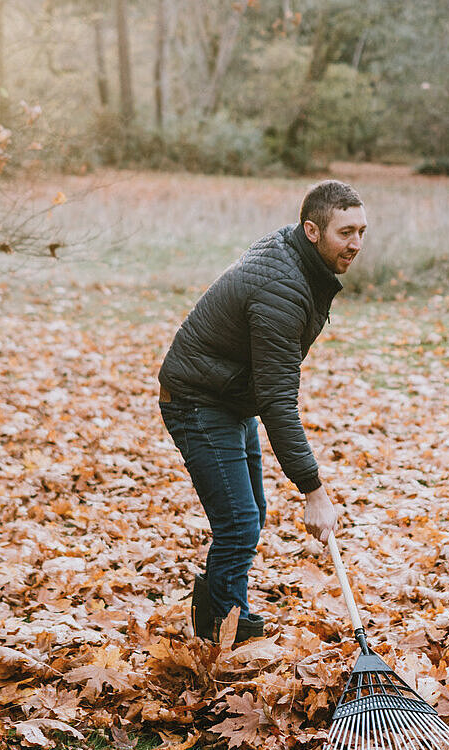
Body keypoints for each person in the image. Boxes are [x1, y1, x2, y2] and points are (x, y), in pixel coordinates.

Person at [157, 180, 367, 644]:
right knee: (238, 522)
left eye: (361, 232)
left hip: (226, 394)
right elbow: (277, 402)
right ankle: (224, 630)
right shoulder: (283, 292)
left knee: (249, 513)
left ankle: (220, 614)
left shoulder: (296, 259)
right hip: (197, 399)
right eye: (345, 232)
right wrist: (314, 490)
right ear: (312, 230)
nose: (355, 244)